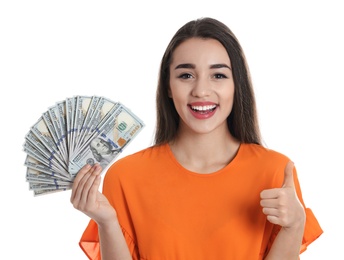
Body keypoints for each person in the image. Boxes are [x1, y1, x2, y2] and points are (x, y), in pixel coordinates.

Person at [70, 17, 323, 260]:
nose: (201, 90)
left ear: (237, 85)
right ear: (168, 86)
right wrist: (107, 222)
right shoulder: (125, 177)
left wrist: (295, 225)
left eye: (219, 75)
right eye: (186, 75)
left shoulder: (276, 172)